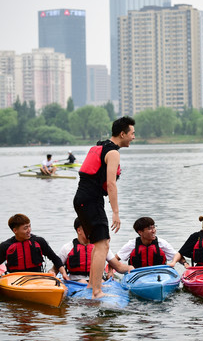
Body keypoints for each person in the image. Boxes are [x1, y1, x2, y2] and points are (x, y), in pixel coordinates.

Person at [73, 116, 135, 298]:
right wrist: (116, 212)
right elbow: (110, 184)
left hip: (83, 199)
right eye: (132, 134)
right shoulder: (113, 153)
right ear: (122, 133)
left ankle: (92, 286)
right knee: (102, 245)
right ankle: (97, 292)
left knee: (101, 244)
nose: (133, 137)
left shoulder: (101, 146)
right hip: (91, 200)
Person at [56, 218, 131, 282]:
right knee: (82, 282)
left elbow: (119, 267)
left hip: (97, 281)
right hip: (76, 282)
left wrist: (130, 268)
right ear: (79, 231)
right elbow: (55, 269)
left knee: (101, 281)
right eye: (88, 228)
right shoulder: (67, 248)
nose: (92, 231)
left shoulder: (101, 247)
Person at [0, 214, 68, 278]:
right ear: (15, 230)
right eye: (25, 228)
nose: (29, 230)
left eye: (29, 226)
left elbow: (55, 258)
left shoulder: (39, 241)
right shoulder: (6, 246)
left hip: (36, 278)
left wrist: (64, 274)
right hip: (14, 280)